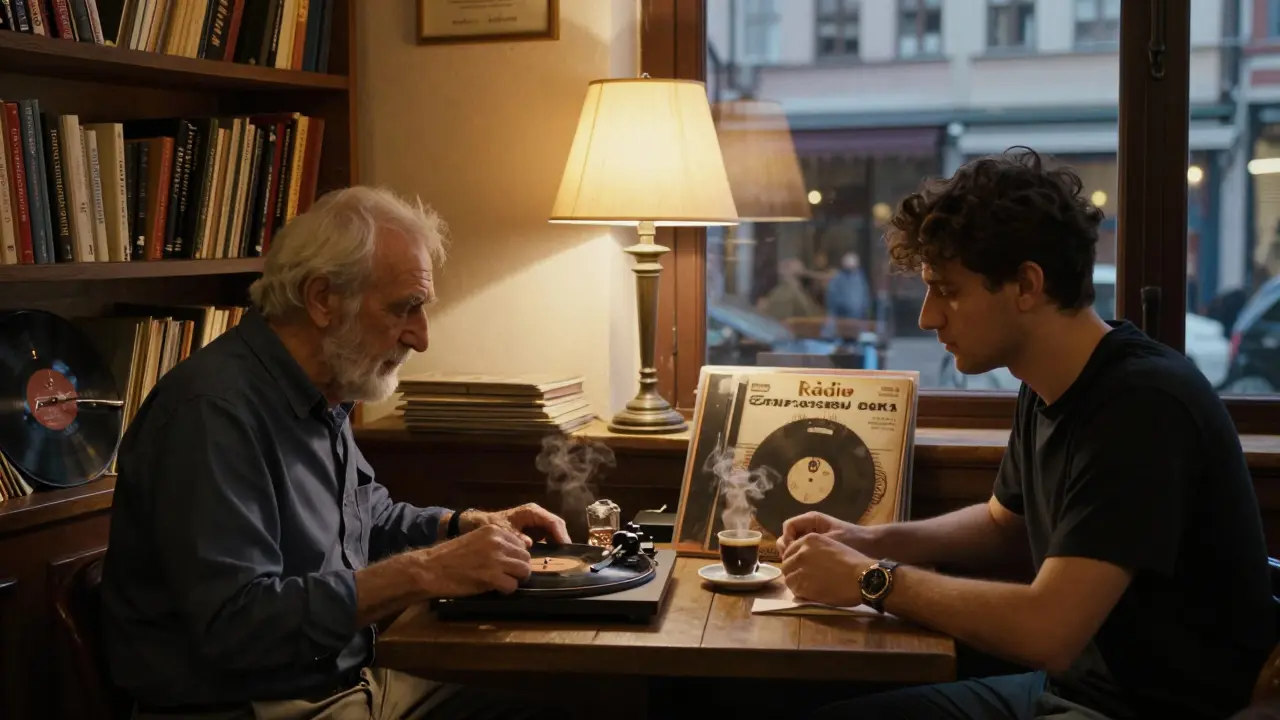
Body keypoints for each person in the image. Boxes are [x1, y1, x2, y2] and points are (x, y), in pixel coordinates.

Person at [777, 148, 1277, 720]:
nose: (927, 317)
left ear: (1026, 286)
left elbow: (1050, 629)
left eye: (948, 290)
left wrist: (871, 579)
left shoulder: (1143, 404)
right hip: (1068, 690)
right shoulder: (1045, 381)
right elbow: (1001, 524)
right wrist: (868, 540)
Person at [100, 186, 575, 720]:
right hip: (253, 706)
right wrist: (427, 571)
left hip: (345, 683)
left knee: (565, 703)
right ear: (323, 300)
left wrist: (463, 525)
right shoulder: (210, 414)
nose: (420, 338)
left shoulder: (322, 388)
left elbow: (364, 515)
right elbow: (237, 625)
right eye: (406, 308)